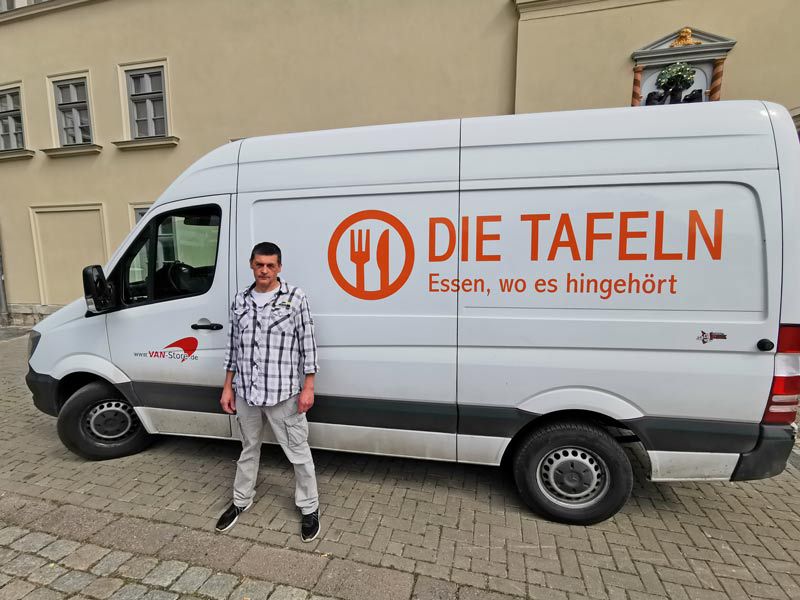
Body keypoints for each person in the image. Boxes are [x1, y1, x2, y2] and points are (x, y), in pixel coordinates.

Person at [215, 242, 320, 541]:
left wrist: (309, 387)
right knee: (248, 449)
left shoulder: (295, 298)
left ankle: (309, 507)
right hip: (246, 392)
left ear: (279, 267)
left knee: (298, 452)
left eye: (270, 265)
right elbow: (233, 347)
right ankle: (241, 500)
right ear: (251, 264)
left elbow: (308, 344)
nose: (264, 270)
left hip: (283, 393)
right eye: (259, 264)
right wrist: (228, 387)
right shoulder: (240, 300)